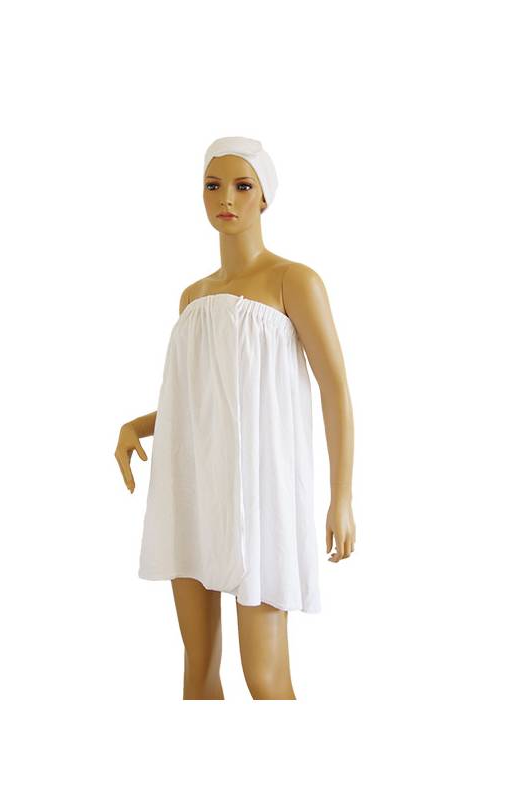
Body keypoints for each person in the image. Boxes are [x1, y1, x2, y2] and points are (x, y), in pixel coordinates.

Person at [115, 136, 355, 699]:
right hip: (193, 487)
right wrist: (138, 426)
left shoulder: (293, 281)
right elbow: (200, 402)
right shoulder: (192, 297)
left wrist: (341, 498)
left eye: (243, 186)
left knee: (264, 677)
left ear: (265, 197)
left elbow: (335, 390)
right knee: (198, 667)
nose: (226, 197)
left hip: (260, 494)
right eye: (213, 185)